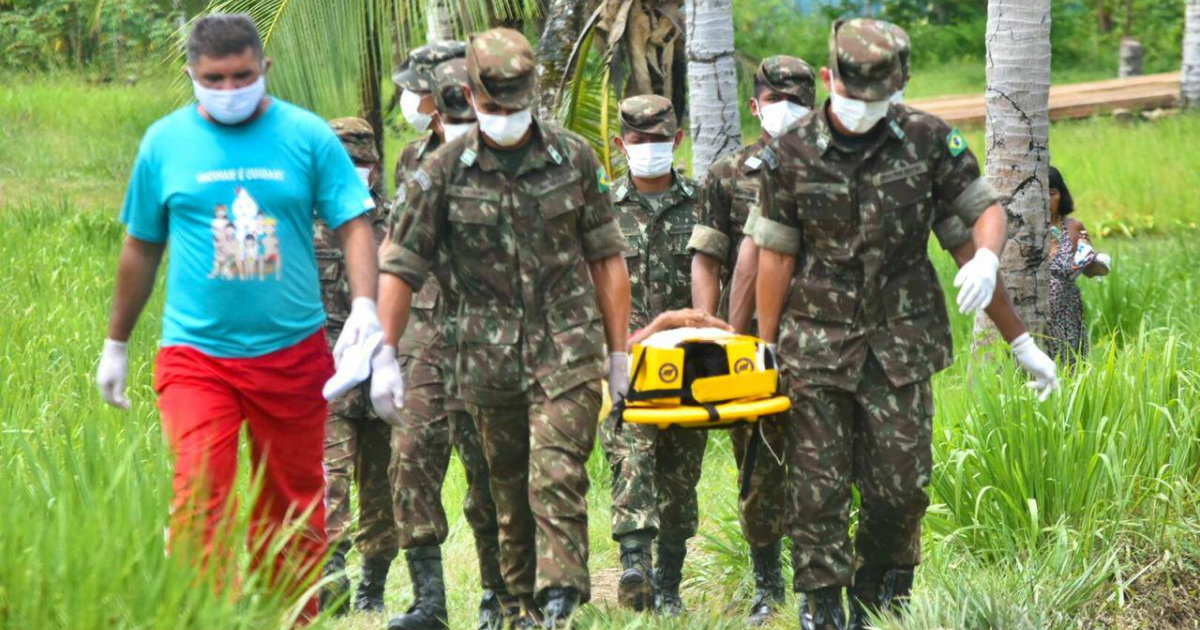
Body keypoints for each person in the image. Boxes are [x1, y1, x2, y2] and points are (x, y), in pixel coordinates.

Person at [751, 19, 1060, 630]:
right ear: (827, 78)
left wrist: (1018, 334)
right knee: (816, 489)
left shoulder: (926, 141)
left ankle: (880, 596)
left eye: (876, 96)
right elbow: (776, 255)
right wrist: (763, 348)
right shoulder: (790, 154)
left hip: (902, 345)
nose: (862, 107)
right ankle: (822, 607)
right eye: (849, 91)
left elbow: (982, 219)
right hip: (815, 346)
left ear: (901, 84)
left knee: (901, 489)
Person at [94, 14, 380, 620]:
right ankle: (206, 616)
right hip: (198, 358)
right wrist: (115, 342)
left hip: (294, 354)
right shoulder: (164, 143)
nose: (229, 90)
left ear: (264, 69)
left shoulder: (305, 137)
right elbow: (142, 245)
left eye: (242, 76)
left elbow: (354, 221)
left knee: (294, 507)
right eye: (214, 78)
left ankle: (288, 617)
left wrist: (365, 308)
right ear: (192, 75)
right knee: (200, 497)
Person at [372, 28, 631, 629]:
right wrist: (385, 354)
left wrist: (618, 355)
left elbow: (606, 258)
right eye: (495, 105)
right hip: (484, 359)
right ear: (471, 93)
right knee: (507, 491)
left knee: (556, 472)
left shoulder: (574, 158)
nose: (508, 115)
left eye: (518, 103)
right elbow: (401, 265)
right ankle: (518, 606)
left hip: (565, 346)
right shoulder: (439, 173)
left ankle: (560, 599)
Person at [687, 54, 816, 626]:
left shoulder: (834, 168)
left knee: (827, 465)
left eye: (798, 100)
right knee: (759, 466)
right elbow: (709, 259)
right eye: (776, 97)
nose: (786, 109)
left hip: (824, 340)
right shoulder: (726, 175)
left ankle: (825, 583)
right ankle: (769, 585)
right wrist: (711, 331)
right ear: (755, 103)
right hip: (753, 346)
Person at [384, 50, 509, 630]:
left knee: (490, 470)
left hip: (490, 334)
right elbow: (400, 250)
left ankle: (499, 594)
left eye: (420, 91)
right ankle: (429, 599)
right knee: (410, 457)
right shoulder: (413, 157)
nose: (414, 103)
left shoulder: (510, 153)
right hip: (427, 332)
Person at [600, 94, 704, 615]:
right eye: (639, 142)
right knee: (632, 456)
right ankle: (634, 564)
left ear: (677, 141)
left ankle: (668, 583)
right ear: (621, 144)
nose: (649, 149)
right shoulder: (603, 209)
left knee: (681, 476)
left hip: (690, 365)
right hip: (627, 360)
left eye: (660, 141)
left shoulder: (702, 202)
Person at [316, 117, 396, 615]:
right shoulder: (303, 220)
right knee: (329, 478)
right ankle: (331, 576)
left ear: (376, 166)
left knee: (384, 487)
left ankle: (373, 586)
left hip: (384, 370)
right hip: (323, 373)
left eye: (363, 164)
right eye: (346, 163)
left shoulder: (398, 222)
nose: (355, 172)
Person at [1046, 166, 1110, 365]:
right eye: (1040, 193)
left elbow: (1090, 268)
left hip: (1067, 310)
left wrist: (1093, 262)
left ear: (1061, 195)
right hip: (1035, 311)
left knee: (1068, 365)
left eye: (1052, 193)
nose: (1047, 200)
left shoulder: (1074, 228)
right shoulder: (1023, 229)